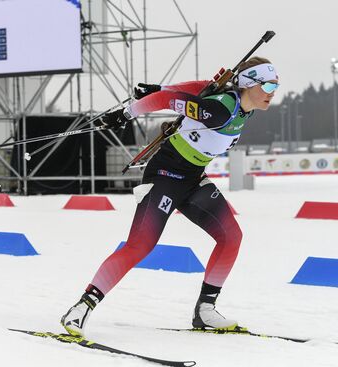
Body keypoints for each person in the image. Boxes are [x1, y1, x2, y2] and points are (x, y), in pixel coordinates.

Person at [61, 56, 279, 336]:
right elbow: (167, 101)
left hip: (193, 178)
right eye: (269, 86)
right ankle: (81, 307)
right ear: (250, 84)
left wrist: (159, 85)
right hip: (165, 174)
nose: (273, 94)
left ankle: (205, 311)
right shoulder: (219, 110)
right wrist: (128, 112)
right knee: (140, 246)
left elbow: (200, 86)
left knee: (231, 236)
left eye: (276, 86)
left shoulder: (239, 107)